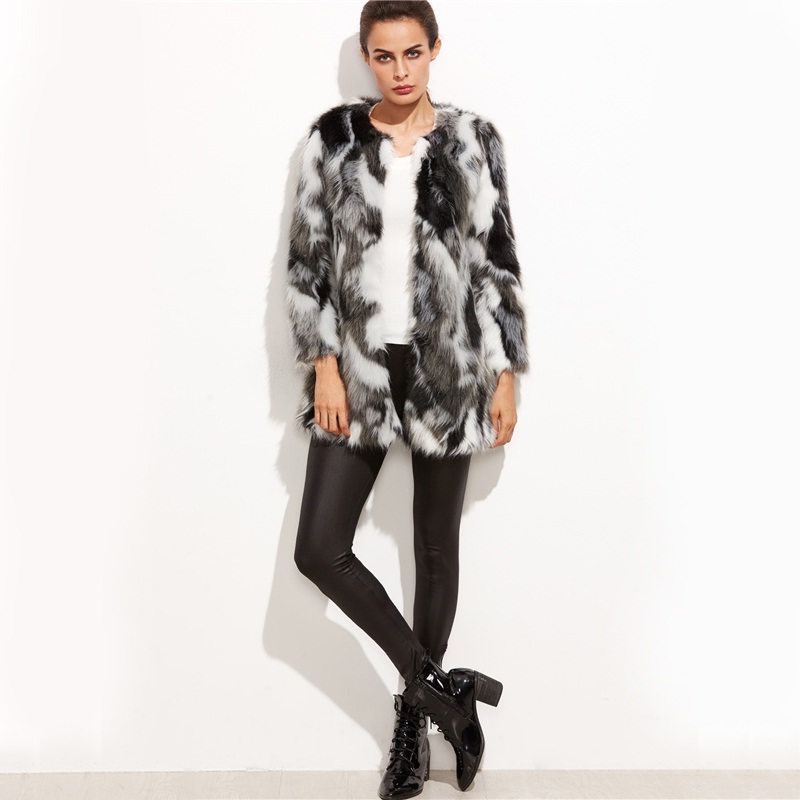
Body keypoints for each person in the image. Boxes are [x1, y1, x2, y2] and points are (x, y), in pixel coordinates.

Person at [285, 1, 529, 796]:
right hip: (357, 368)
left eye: (412, 54)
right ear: (367, 57)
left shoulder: (471, 141)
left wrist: (505, 372)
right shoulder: (332, 139)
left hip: (448, 371)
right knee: (319, 547)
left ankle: (411, 723)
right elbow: (307, 262)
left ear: (434, 51)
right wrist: (324, 365)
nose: (399, 70)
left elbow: (496, 262)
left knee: (434, 548)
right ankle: (442, 691)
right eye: (384, 56)